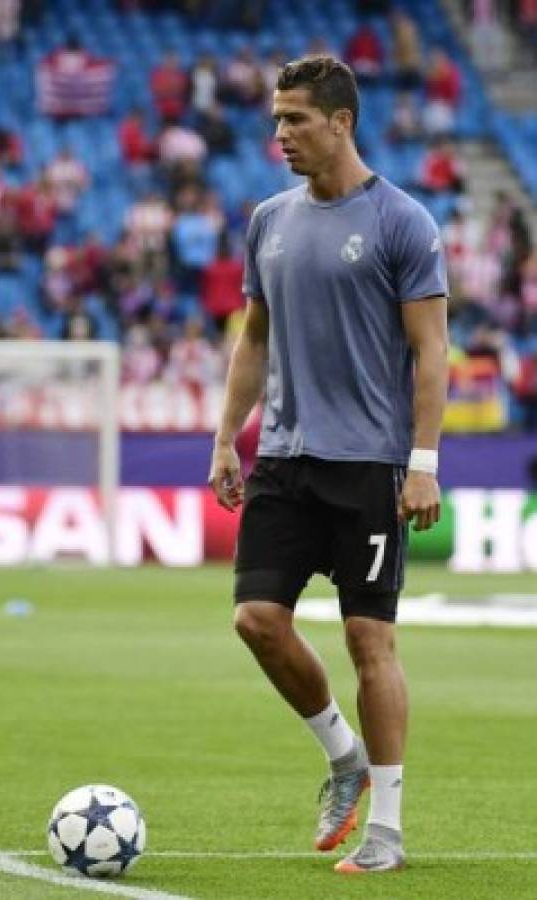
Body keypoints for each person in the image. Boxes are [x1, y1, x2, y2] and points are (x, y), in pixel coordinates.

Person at [208, 55, 449, 875]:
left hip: (366, 467)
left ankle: (385, 829)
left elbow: (431, 350)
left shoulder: (401, 222)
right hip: (282, 457)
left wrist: (421, 462)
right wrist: (225, 437)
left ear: (340, 122)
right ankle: (340, 754)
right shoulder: (268, 220)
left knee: (367, 639)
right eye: (276, 119)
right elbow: (254, 337)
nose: (279, 135)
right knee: (255, 622)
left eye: (295, 120)